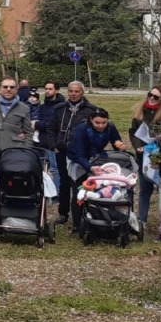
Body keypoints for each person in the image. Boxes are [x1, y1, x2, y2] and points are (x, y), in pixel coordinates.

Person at [130, 84, 161, 229]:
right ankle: (142, 220)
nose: (151, 98)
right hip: (143, 154)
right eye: (149, 94)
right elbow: (133, 131)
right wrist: (138, 146)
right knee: (145, 188)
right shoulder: (141, 111)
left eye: (156, 97)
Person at [49, 81, 97, 226]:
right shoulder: (59, 109)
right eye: (71, 91)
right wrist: (53, 145)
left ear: (82, 93)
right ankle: (63, 213)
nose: (73, 94)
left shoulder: (91, 111)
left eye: (76, 91)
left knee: (80, 185)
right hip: (62, 151)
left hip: (80, 155)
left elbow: (96, 132)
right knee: (64, 183)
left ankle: (80, 214)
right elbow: (51, 129)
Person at [66, 108, 124, 194]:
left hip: (97, 157)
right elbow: (79, 154)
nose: (101, 126)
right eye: (97, 123)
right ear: (91, 120)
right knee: (80, 191)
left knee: (99, 188)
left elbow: (117, 144)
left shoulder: (110, 127)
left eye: (104, 123)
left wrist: (121, 147)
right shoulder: (81, 129)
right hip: (78, 160)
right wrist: (90, 167)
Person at [0, 78, 33, 165]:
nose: (8, 89)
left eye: (12, 87)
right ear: (0, 88)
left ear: (16, 89)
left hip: (15, 150)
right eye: (5, 87)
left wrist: (26, 150)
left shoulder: (24, 108)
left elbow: (28, 132)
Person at [35, 81, 63, 189]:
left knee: (55, 169)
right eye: (46, 88)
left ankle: (57, 192)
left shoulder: (60, 107)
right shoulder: (42, 106)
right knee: (39, 168)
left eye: (50, 89)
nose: (47, 91)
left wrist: (37, 124)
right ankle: (41, 192)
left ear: (56, 90)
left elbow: (53, 125)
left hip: (53, 143)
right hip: (41, 141)